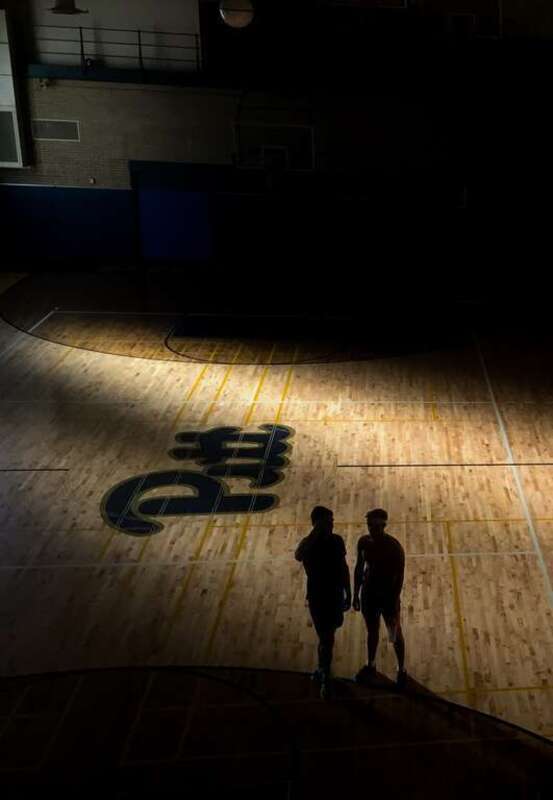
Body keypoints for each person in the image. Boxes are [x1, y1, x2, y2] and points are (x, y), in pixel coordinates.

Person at [295, 506, 351, 698]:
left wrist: (348, 591)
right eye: (328, 521)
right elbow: (298, 556)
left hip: (333, 596)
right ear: (317, 523)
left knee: (327, 639)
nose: (332, 524)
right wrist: (315, 533)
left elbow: (343, 567)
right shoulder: (308, 544)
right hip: (317, 597)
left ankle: (324, 672)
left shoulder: (336, 541)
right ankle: (324, 673)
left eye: (331, 521)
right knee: (326, 638)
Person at [353, 508, 407, 687]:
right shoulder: (363, 542)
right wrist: (356, 593)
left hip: (388, 598)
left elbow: (399, 578)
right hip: (369, 595)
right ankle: (371, 665)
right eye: (369, 525)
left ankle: (401, 670)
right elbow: (359, 568)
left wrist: (393, 601)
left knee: (395, 634)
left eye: (375, 526)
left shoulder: (395, 548)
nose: (371, 529)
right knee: (372, 631)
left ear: (383, 526)